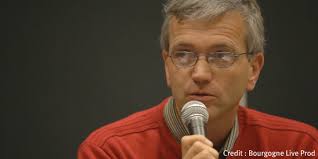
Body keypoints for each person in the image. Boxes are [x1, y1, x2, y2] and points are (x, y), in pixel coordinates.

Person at [78, 0, 318, 158]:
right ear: (167, 67)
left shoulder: (299, 147)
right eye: (183, 55)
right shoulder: (111, 151)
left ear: (253, 70)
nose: (200, 74)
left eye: (222, 55)